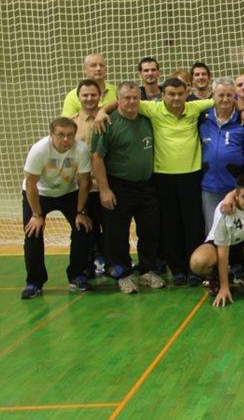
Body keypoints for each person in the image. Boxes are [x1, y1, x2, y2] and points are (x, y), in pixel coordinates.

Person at [95, 76, 216, 285]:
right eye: (171, 94)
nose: (176, 98)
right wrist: (102, 111)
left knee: (192, 225)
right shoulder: (153, 109)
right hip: (162, 178)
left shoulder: (194, 107)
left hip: (191, 176)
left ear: (187, 94)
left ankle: (193, 269)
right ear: (163, 95)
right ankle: (176, 270)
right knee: (169, 226)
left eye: (180, 94)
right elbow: (123, 100)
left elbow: (223, 99)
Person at [89, 82, 165, 294]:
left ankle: (147, 270)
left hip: (147, 186)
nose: (131, 102)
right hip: (118, 186)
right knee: (117, 233)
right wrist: (104, 189)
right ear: (118, 100)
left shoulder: (147, 120)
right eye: (126, 98)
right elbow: (96, 158)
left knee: (150, 230)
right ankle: (122, 273)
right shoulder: (106, 123)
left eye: (135, 98)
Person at [21, 117, 94, 298]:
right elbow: (30, 184)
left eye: (70, 135)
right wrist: (37, 215)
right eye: (60, 135)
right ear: (51, 134)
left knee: (82, 227)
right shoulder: (39, 150)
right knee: (33, 232)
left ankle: (77, 275)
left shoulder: (81, 150)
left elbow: (85, 183)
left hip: (68, 192)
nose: (66, 139)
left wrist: (80, 212)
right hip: (39, 193)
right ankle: (34, 282)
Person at [189, 174, 244, 305]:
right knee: (198, 262)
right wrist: (225, 287)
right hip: (219, 246)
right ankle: (216, 279)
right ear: (236, 196)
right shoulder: (225, 211)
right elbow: (223, 252)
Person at [199, 78, 244, 234]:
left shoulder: (243, 121)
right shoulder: (202, 118)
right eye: (221, 95)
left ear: (234, 97)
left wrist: (243, 185)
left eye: (229, 95)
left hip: (235, 188)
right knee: (213, 233)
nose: (225, 99)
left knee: (238, 232)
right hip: (209, 189)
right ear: (213, 96)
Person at [70, 79, 106, 275]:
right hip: (82, 188)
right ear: (79, 97)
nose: (89, 98)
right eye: (85, 95)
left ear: (100, 96)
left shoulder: (109, 118)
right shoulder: (71, 123)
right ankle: (85, 268)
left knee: (110, 230)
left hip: (106, 186)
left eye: (93, 94)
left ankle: (112, 264)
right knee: (84, 230)